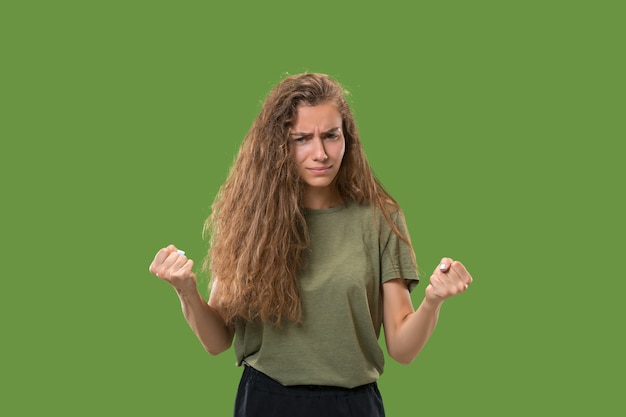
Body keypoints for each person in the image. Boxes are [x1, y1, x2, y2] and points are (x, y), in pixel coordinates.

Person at [148, 72, 473, 417]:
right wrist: (185, 290)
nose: (320, 153)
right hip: (265, 401)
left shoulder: (380, 217)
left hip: (353, 405)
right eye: (302, 138)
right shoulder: (248, 216)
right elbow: (217, 341)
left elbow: (403, 349)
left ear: (347, 137)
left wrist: (433, 302)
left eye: (331, 136)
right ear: (277, 145)